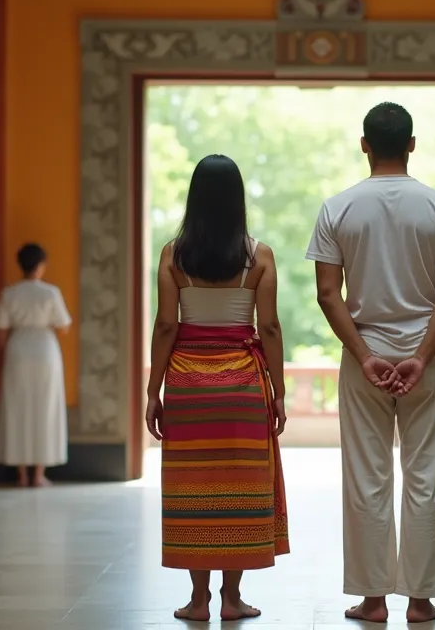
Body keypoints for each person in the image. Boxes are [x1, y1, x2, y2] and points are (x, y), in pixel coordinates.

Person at [307, 102, 435, 624]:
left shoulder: (337, 209)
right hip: (426, 358)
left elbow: (329, 296)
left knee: (367, 475)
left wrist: (365, 356)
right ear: (412, 144)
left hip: (364, 361)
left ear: (363, 145)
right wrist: (421, 357)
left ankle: (374, 600)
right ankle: (421, 601)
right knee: (424, 475)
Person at [144, 154, 290, 623]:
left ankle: (198, 599)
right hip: (242, 384)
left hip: (188, 383)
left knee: (193, 488)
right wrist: (278, 390)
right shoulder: (259, 256)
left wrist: (153, 391)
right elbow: (267, 327)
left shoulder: (174, 255)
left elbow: (167, 324)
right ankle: (232, 598)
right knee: (239, 488)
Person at [0, 243, 71, 487]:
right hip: (45, 349)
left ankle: (21, 474)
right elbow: (63, 326)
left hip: (18, 349)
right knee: (45, 408)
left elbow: (1, 332)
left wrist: (10, 352)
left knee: (16, 408)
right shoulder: (50, 293)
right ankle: (38, 474)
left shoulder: (9, 293)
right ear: (40, 265)